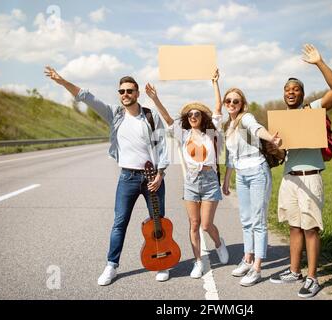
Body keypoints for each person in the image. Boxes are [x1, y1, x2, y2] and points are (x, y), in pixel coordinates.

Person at [44, 66, 172, 285]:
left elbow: (162, 146)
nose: (125, 95)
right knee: (119, 222)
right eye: (121, 91)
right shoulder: (115, 114)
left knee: (157, 222)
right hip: (128, 178)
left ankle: (162, 263)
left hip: (153, 178)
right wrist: (63, 81)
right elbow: (87, 97)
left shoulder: (150, 116)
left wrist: (160, 174)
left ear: (137, 93)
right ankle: (111, 266)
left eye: (130, 91)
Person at [268, 44, 332, 298]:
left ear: (302, 93)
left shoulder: (312, 110)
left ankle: (312, 277)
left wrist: (319, 62)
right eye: (287, 90)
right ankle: (294, 271)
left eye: (296, 89)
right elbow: (280, 157)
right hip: (290, 179)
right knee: (294, 226)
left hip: (310, 177)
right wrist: (274, 149)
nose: (291, 93)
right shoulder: (282, 121)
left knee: (311, 228)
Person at [145, 69, 229, 279]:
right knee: (194, 224)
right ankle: (198, 262)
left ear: (202, 117)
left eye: (197, 114)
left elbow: (218, 109)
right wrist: (155, 98)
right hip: (191, 181)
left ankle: (219, 243)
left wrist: (215, 83)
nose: (193, 116)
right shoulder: (182, 135)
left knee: (207, 224)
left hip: (210, 181)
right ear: (187, 118)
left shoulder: (211, 133)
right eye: (190, 114)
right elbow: (166, 118)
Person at [217, 82, 284, 287]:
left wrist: (270, 137)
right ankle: (247, 258)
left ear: (242, 103)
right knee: (246, 219)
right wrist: (227, 179)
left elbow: (257, 129)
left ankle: (257, 267)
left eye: (236, 101)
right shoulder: (229, 125)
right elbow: (230, 156)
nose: (231, 103)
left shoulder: (246, 118)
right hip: (242, 175)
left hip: (257, 172)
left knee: (258, 220)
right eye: (228, 101)